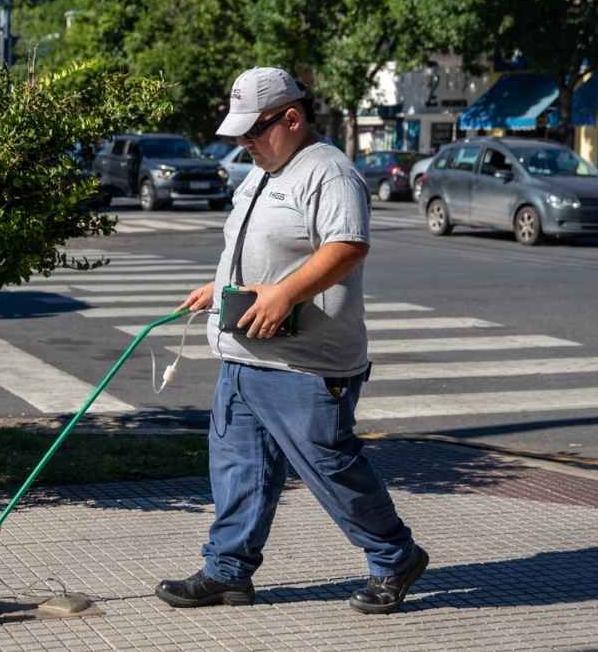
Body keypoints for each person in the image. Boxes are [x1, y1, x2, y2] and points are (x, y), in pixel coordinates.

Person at [155, 67, 428, 615]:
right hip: (244, 354)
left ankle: (394, 556)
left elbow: (347, 247)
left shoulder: (330, 173)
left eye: (253, 132)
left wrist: (283, 295)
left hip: (305, 363)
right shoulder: (259, 173)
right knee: (237, 470)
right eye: (239, 135)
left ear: (292, 118)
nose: (245, 143)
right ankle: (227, 571)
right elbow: (257, 245)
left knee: (331, 466)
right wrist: (221, 286)